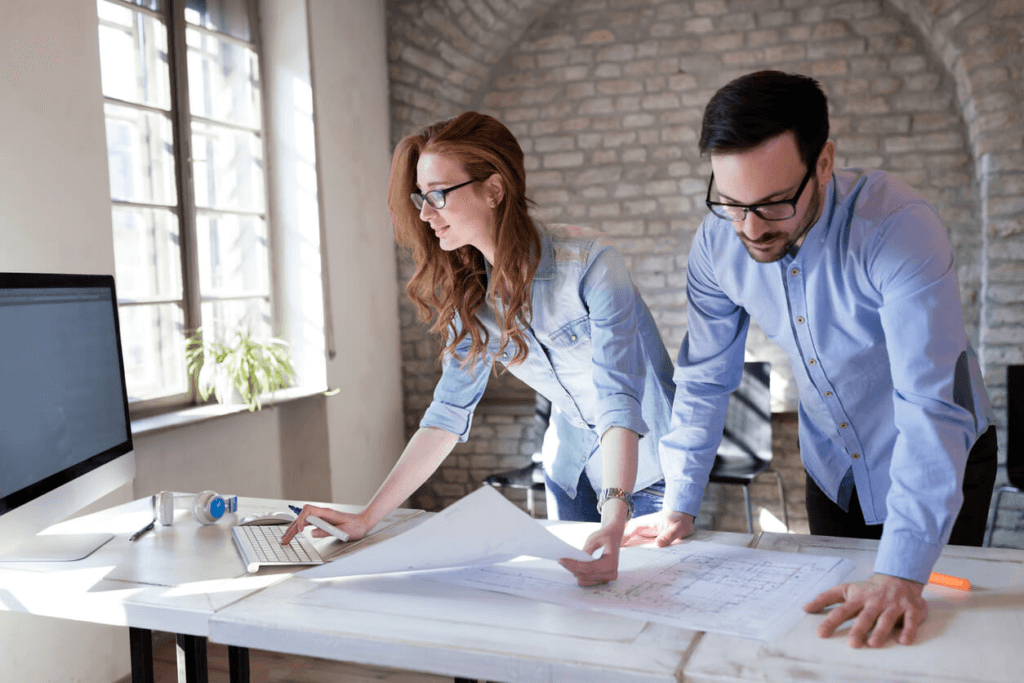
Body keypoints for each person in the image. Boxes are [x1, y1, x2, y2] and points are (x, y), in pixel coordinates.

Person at [643, 71, 997, 648]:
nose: (750, 229)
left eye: (774, 204)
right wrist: (677, 504)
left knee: (925, 639)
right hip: (833, 468)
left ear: (824, 162)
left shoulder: (899, 228)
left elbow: (930, 403)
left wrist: (902, 572)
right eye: (730, 203)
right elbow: (704, 380)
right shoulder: (716, 244)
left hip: (940, 454)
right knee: (835, 637)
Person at [282, 111, 675, 585]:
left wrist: (615, 520)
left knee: (640, 613)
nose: (426, 215)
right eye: (421, 198)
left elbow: (618, 401)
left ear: (494, 189)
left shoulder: (591, 265)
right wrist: (368, 517)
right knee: (575, 618)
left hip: (646, 475)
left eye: (438, 196)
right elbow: (447, 413)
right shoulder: (472, 295)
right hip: (569, 468)